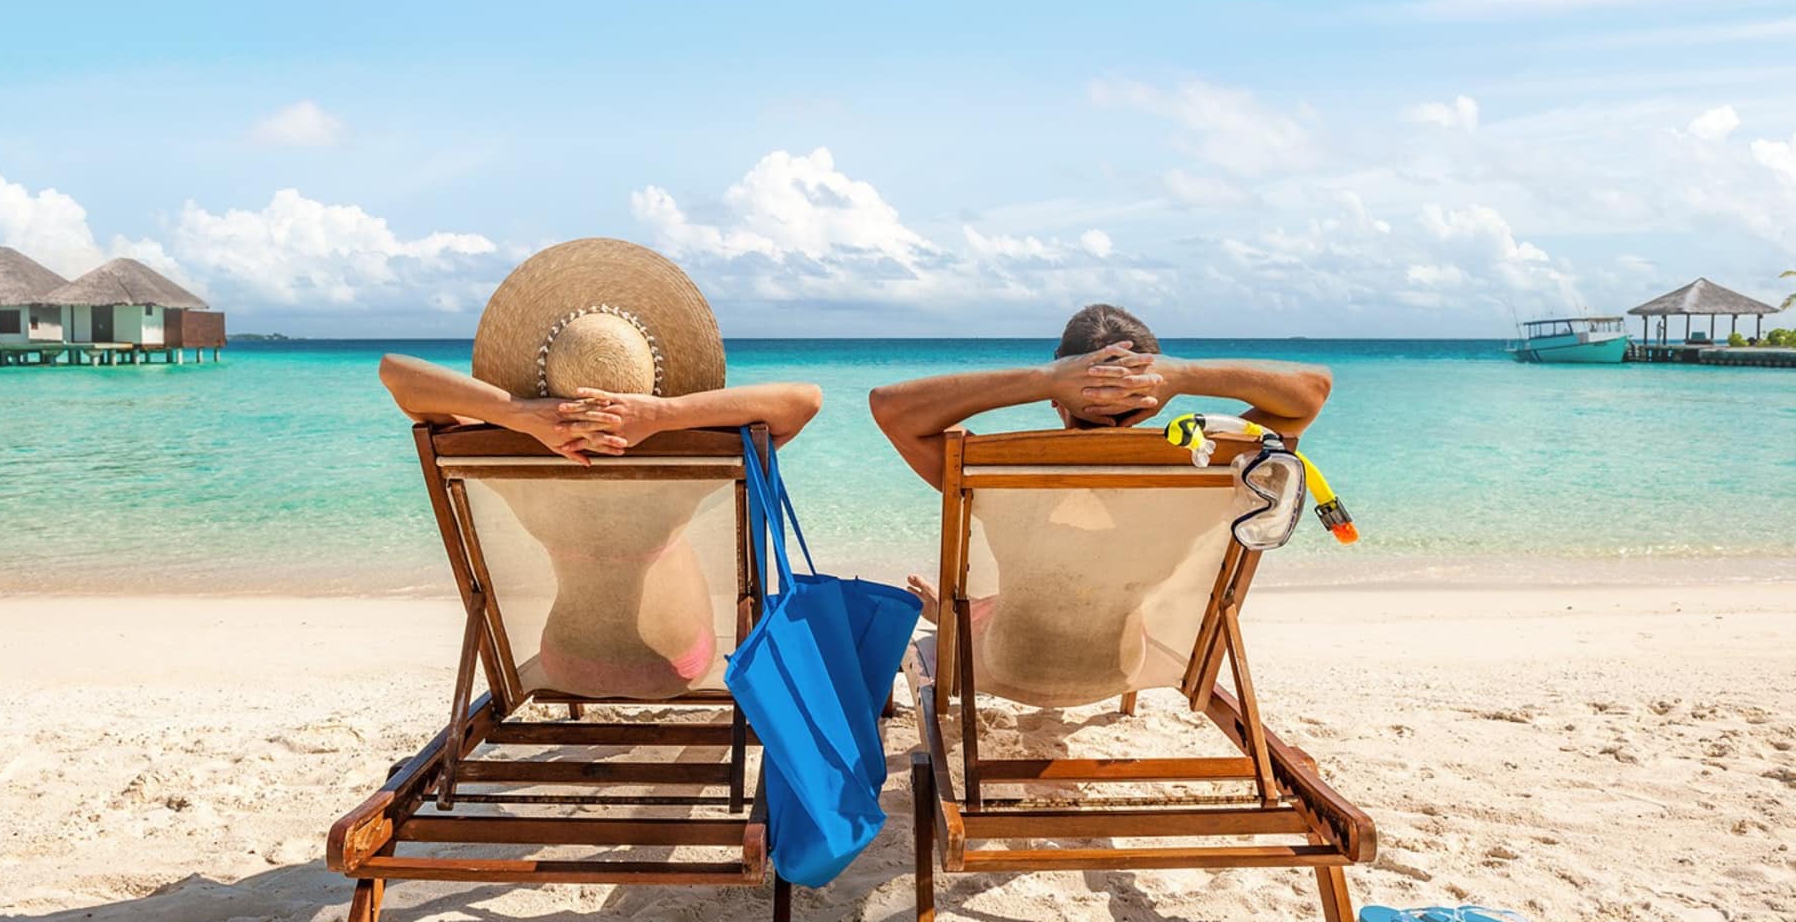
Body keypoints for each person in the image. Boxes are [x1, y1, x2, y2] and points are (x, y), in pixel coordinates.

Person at [378, 238, 821, 697]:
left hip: (566, 663)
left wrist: (523, 416)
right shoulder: (694, 460)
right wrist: (661, 416)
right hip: (675, 666)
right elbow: (805, 400)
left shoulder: (507, 458)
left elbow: (395, 372)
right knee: (675, 548)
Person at [869, 303, 1333, 677]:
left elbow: (890, 408)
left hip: (1010, 663)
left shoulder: (994, 471)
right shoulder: (1203, 470)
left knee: (1032, 593)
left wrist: (1046, 380)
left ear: (1059, 396)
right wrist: (1185, 374)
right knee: (1082, 588)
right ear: (1154, 400)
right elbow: (1310, 394)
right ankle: (952, 616)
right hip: (1121, 665)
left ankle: (947, 618)